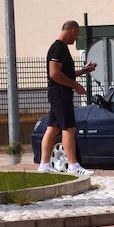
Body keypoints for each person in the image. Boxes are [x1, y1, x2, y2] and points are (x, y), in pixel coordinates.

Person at [38, 19, 95, 176]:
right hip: (60, 94)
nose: (76, 39)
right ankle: (73, 165)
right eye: (76, 35)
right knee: (69, 128)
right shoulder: (58, 48)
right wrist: (75, 85)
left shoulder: (60, 48)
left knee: (53, 128)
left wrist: (82, 71)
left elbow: (63, 73)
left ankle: (43, 164)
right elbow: (54, 73)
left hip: (57, 93)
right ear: (72, 31)